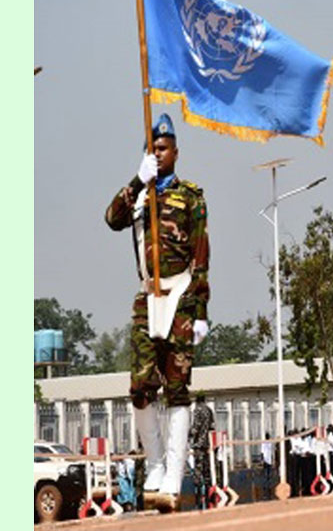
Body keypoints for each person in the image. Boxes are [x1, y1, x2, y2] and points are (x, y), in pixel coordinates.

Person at [105, 113, 210, 506]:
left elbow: (201, 254)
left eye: (163, 148)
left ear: (176, 153)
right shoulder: (140, 196)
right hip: (147, 297)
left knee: (178, 391)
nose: (158, 153)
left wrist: (200, 309)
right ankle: (154, 464)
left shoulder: (192, 196)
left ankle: (174, 477)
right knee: (140, 388)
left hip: (181, 295)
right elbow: (111, 219)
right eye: (152, 148)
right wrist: (137, 180)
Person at [188, 394, 214, 508]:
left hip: (198, 444)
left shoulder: (197, 410)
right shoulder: (209, 410)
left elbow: (195, 427)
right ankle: (209, 494)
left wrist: (188, 435)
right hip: (206, 444)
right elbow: (212, 426)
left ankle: (198, 497)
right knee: (206, 469)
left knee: (198, 469)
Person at [260, 432, 274, 500]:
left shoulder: (270, 443)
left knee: (269, 474)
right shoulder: (264, 443)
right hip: (266, 460)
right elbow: (262, 452)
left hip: (269, 460)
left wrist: (272, 459)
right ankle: (265, 488)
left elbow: (271, 452)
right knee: (266, 475)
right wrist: (262, 460)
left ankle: (269, 488)